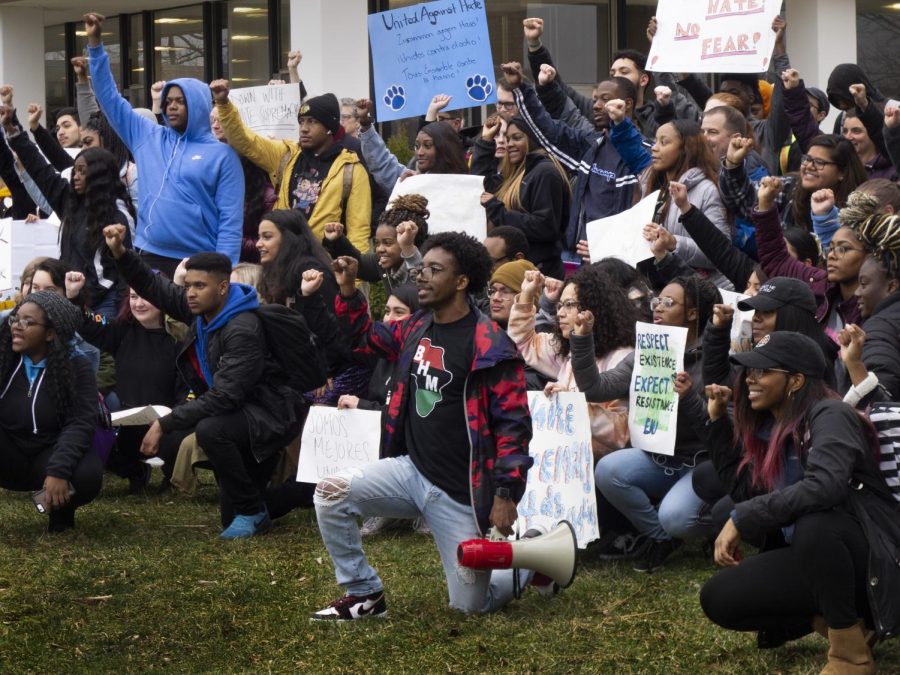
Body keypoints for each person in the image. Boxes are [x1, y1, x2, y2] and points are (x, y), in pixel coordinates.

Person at [311, 232, 535, 620]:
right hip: (409, 471)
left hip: (460, 495)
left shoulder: (492, 345)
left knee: (469, 607)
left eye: (436, 269)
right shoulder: (416, 327)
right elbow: (366, 341)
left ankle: (530, 556)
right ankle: (364, 594)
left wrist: (505, 494)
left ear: (462, 281)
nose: (423, 276)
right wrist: (348, 292)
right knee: (329, 493)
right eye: (422, 268)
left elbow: (514, 426)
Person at [102, 223, 306, 539]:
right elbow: (154, 287)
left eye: (200, 286)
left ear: (223, 288)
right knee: (230, 515)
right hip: (243, 415)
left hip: (269, 416)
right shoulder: (204, 310)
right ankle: (303, 493)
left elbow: (225, 396)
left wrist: (165, 423)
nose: (191, 293)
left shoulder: (242, 329)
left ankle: (260, 507)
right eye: (188, 286)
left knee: (211, 430)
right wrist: (120, 253)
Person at [699, 332, 886, 673]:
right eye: (748, 372)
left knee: (815, 525)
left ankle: (849, 655)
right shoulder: (775, 428)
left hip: (873, 563)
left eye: (762, 371)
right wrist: (716, 424)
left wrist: (745, 517)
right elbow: (746, 493)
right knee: (719, 597)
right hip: (821, 560)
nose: (749, 380)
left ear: (796, 380)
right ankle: (846, 623)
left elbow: (825, 486)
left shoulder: (830, 414)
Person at [84, 12, 244, 275]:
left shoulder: (223, 155)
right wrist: (96, 45)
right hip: (149, 254)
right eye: (168, 101)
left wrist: (224, 270)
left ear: (198, 104)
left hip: (199, 262)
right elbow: (109, 99)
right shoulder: (148, 136)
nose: (171, 107)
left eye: (180, 101)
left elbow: (230, 220)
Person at [591, 275, 720, 572]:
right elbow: (598, 387)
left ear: (692, 314)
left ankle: (725, 519)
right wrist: (582, 339)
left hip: (702, 463)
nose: (657, 308)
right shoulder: (648, 353)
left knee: (677, 517)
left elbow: (717, 433)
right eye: (657, 301)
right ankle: (662, 538)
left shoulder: (715, 360)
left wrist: (689, 397)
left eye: (668, 302)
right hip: (662, 458)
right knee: (609, 471)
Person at [499, 62, 647, 264]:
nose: (596, 105)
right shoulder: (590, 144)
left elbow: (642, 217)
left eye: (605, 99)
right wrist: (520, 87)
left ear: (627, 104)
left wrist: (606, 248)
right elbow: (547, 128)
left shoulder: (645, 154)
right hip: (576, 257)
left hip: (619, 260)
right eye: (595, 100)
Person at [210, 80, 371, 256]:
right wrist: (224, 104)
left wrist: (353, 279)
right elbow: (245, 140)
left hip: (323, 269)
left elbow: (359, 232)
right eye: (301, 122)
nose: (304, 129)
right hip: (282, 263)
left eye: (312, 122)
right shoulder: (286, 155)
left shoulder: (351, 170)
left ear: (329, 128)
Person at [1, 109, 134, 319]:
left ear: (99, 175)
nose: (76, 176)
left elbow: (126, 271)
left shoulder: (118, 218)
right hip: (69, 298)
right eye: (75, 170)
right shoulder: (68, 202)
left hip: (104, 305)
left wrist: (124, 315)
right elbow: (40, 169)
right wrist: (13, 129)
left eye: (83, 171)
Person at [65, 270, 185, 491]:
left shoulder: (180, 339)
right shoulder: (121, 331)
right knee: (92, 436)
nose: (139, 303)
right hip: (127, 422)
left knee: (180, 435)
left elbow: (187, 394)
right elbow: (88, 322)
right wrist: (74, 296)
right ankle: (135, 471)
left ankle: (174, 477)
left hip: (170, 424)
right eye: (133, 297)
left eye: (145, 297)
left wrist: (165, 423)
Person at [0, 291, 102, 532]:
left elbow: (81, 422)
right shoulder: (5, 357)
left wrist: (59, 470)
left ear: (50, 333)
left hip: (48, 454)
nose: (17, 326)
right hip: (9, 453)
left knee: (86, 474)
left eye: (28, 322)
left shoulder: (77, 365)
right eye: (16, 318)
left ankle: (60, 515)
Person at [510, 266, 635, 459]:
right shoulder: (567, 350)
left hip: (596, 467)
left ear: (594, 310)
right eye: (559, 306)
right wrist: (526, 294)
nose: (560, 313)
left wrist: (571, 405)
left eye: (569, 305)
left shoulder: (622, 358)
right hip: (562, 458)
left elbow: (622, 433)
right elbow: (524, 342)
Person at [607, 107, 730, 287]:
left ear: (685, 149)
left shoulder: (707, 190)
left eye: (664, 142)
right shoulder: (648, 182)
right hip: (657, 287)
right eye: (655, 141)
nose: (654, 148)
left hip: (696, 290)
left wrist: (673, 242)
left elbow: (720, 253)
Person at [480, 117, 570, 279]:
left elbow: (545, 227)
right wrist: (486, 141)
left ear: (534, 137)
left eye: (517, 137)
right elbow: (483, 186)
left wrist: (497, 211)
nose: (509, 144)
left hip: (539, 272)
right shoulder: (517, 171)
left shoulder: (545, 172)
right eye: (507, 139)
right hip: (518, 271)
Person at [839, 213, 900, 407]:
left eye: (863, 284)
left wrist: (855, 365)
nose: (857, 292)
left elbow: (882, 404)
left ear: (891, 286)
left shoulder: (880, 327)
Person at [356, 99, 468, 196]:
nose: (420, 152)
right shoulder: (411, 180)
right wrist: (365, 124)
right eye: (416, 146)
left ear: (443, 148)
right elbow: (383, 164)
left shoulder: (464, 186)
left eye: (427, 146)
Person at [322, 193, 427, 297]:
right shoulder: (383, 262)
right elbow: (359, 264)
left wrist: (409, 250)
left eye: (387, 243)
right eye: (377, 243)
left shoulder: (430, 264)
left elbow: (421, 291)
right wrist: (337, 241)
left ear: (409, 240)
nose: (380, 249)